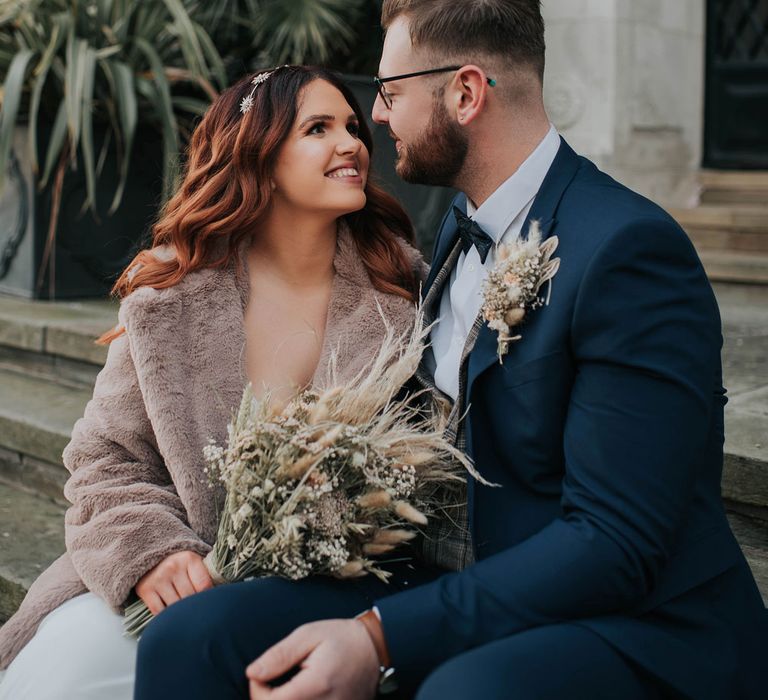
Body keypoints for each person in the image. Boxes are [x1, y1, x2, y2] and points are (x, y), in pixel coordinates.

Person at [133, 2, 768, 699]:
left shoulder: (628, 252)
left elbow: (616, 544)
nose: (377, 116)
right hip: (458, 574)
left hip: (638, 619)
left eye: (392, 92)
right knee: (191, 637)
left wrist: (379, 635)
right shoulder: (454, 233)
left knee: (465, 692)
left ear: (465, 94)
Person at [0, 65, 427, 699]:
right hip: (184, 581)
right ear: (259, 153)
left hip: (330, 591)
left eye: (352, 126)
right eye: (318, 128)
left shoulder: (405, 292)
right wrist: (154, 553)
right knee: (63, 673)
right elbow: (103, 460)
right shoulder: (168, 301)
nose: (352, 144)